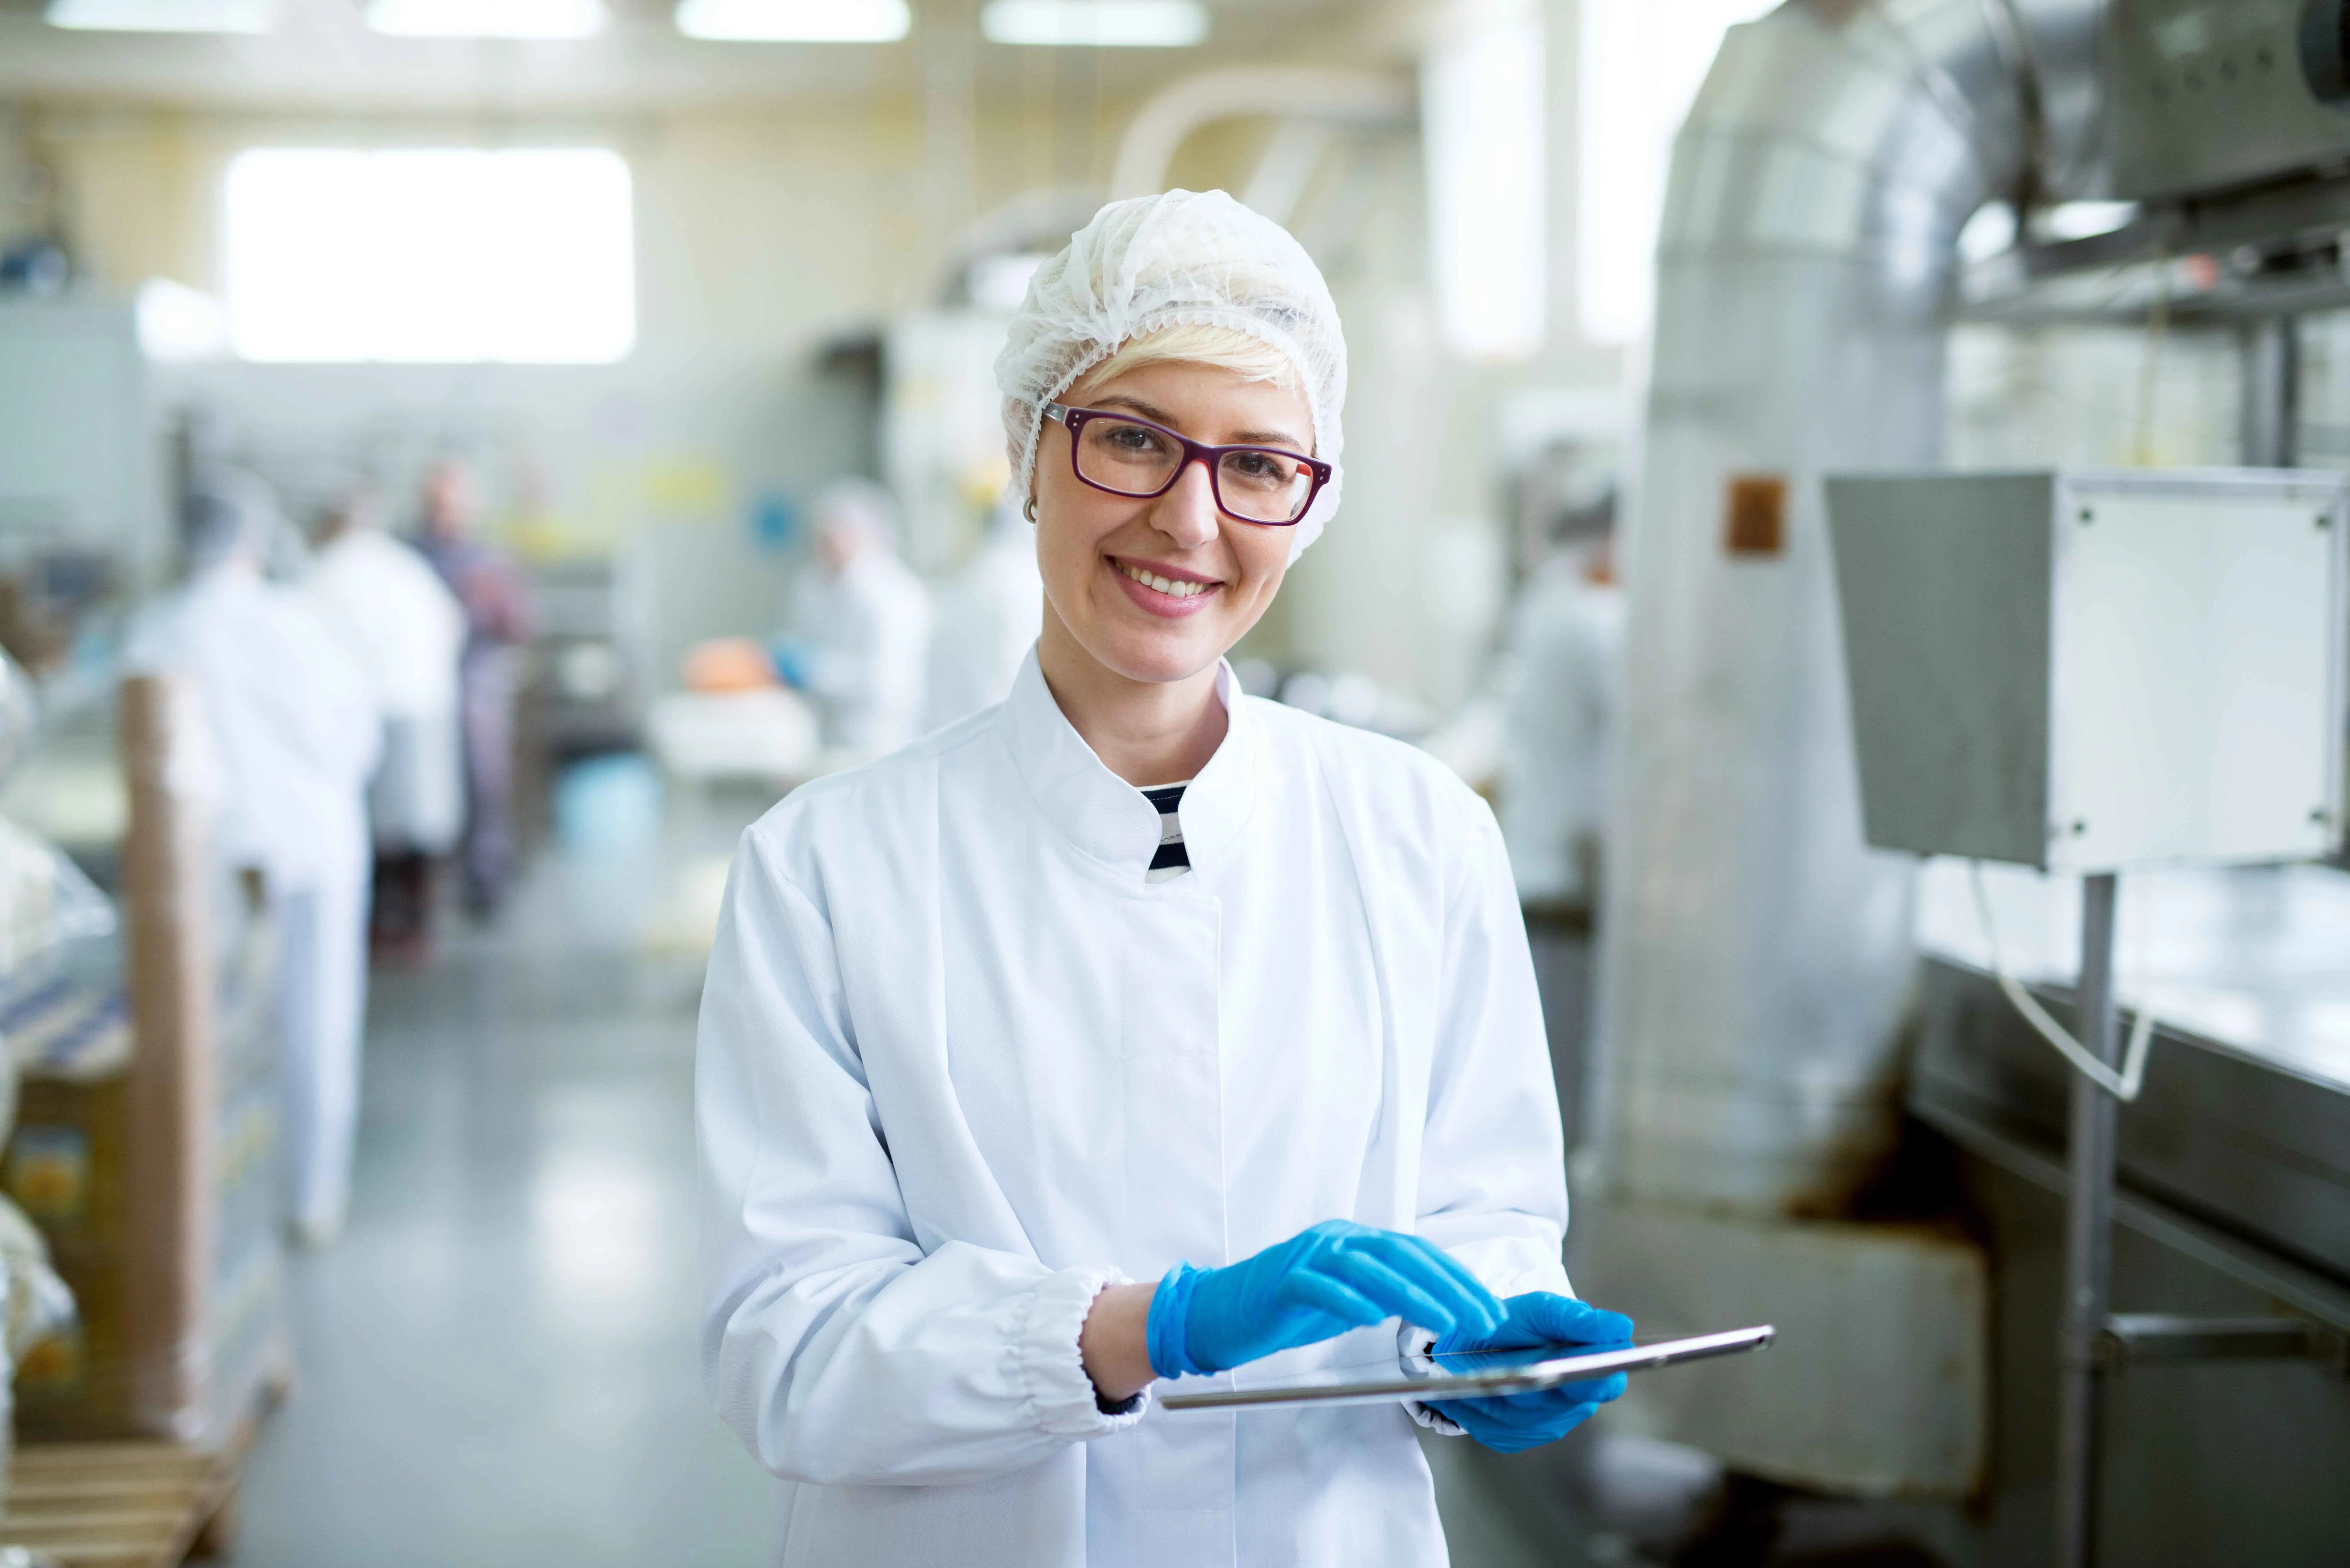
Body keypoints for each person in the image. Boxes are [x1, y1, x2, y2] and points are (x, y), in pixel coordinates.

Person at [698, 189, 1630, 1567]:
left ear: (1309, 500)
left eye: (1258, 463)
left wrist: (1481, 1335)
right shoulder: (829, 868)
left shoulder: (1418, 832)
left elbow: (1485, 1215)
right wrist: (1142, 1327)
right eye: (1132, 438)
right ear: (1027, 450)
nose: (1191, 519)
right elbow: (791, 1348)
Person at [125, 471, 379, 1247]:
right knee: (317, 1026)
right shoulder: (295, 623)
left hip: (208, 863)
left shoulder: (154, 630)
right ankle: (309, 1201)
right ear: (255, 537)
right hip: (313, 848)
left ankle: (201, 1200)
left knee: (201, 1032)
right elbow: (353, 742)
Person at [307, 487, 466, 963]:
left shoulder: (330, 569)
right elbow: (452, 622)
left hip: (373, 708)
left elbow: (310, 645)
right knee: (419, 830)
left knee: (376, 834)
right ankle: (418, 931)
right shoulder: (404, 564)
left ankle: (382, 931)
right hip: (426, 703)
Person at [416, 460, 533, 915]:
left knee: (484, 780)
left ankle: (486, 879)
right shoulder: (411, 557)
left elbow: (521, 622)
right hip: (421, 685)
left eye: (454, 503)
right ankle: (420, 892)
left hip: (475, 682)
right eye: (437, 503)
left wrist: (489, 605)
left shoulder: (490, 560)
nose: (446, 513)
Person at [771, 479, 934, 758]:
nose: (824, 546)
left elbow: (890, 685)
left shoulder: (894, 595)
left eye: (833, 536)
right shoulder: (814, 583)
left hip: (879, 739)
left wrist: (814, 670)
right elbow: (802, 636)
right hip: (825, 736)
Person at [921, 497, 1044, 730]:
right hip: (1000, 726)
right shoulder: (1025, 581)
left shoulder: (972, 574)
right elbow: (1014, 666)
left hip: (955, 725)